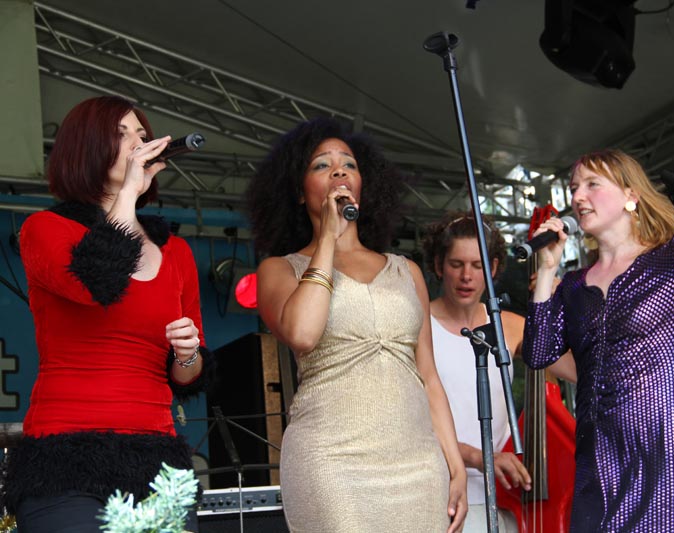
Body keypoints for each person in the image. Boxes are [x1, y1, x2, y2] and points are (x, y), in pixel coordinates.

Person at [523, 70, 674, 532]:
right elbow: (538, 353)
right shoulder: (573, 285)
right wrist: (547, 271)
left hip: (667, 455)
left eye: (592, 184)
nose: (578, 196)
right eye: (573, 188)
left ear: (631, 196)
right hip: (600, 463)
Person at [2, 95, 213, 533]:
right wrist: (129, 192)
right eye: (120, 134)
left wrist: (188, 354)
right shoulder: (45, 229)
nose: (137, 143)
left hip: (157, 458)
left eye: (141, 134)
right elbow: (94, 281)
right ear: (86, 147)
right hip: (65, 455)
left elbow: (188, 377)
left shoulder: (177, 252)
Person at [246, 117, 467, 533]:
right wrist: (328, 238)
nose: (339, 171)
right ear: (299, 192)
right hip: (332, 461)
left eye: (348, 164)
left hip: (418, 463)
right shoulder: (280, 270)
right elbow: (302, 334)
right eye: (321, 165)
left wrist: (454, 464)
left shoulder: (406, 271)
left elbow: (428, 376)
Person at [422, 211, 576, 533]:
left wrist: (561, 303)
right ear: (438, 265)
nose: (467, 276)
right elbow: (408, 424)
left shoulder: (510, 325)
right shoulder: (418, 327)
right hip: (440, 493)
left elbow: (578, 370)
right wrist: (479, 458)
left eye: (477, 266)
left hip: (507, 499)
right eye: (456, 264)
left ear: (492, 269)